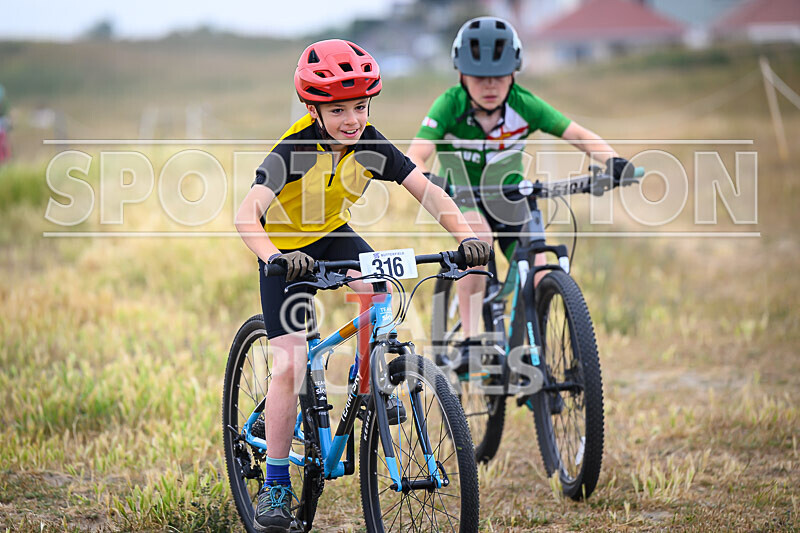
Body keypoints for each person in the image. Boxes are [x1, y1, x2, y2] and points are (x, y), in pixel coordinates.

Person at [234, 39, 490, 533]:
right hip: (286, 252)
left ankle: (368, 383)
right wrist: (273, 258)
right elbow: (246, 214)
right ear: (313, 109)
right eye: (338, 110)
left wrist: (466, 236)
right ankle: (276, 482)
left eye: (360, 106)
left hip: (332, 235)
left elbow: (427, 190)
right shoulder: (294, 150)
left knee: (379, 284)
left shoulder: (370, 142)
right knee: (288, 364)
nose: (352, 119)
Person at [407, 16, 633, 374]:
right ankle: (470, 340)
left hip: (510, 197)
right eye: (480, 77)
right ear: (461, 75)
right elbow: (415, 156)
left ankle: (535, 351)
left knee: (541, 270)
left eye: (500, 75)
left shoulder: (523, 103)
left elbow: (579, 135)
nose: (491, 85)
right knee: (477, 241)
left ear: (514, 73)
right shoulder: (449, 104)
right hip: (462, 194)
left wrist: (613, 161)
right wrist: (426, 178)